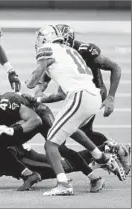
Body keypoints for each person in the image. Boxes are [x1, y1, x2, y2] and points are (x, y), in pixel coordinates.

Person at [25, 25, 125, 196]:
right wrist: (39, 99)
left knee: (50, 143)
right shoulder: (68, 51)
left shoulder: (47, 49)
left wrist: (29, 83)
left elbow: (33, 81)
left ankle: (63, 184)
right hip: (92, 96)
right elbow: (60, 94)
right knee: (70, 129)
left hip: (80, 96)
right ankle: (102, 157)